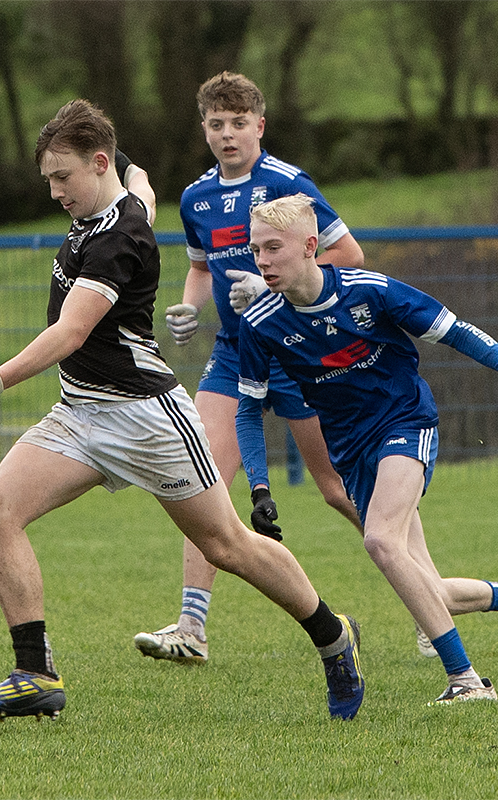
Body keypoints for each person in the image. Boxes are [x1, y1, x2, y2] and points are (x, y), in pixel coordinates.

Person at [0, 100, 365, 722]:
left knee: (226, 545)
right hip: (80, 413)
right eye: (49, 179)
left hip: (148, 419)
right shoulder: (124, 199)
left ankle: (332, 634)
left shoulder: (119, 238)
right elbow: (142, 184)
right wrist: (119, 157)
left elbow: (72, 332)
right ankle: (35, 674)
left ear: (98, 163)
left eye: (62, 177)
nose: (55, 192)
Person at [234, 192, 498, 704]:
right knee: (428, 590)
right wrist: (260, 488)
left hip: (405, 421)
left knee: (380, 541)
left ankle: (466, 682)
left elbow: (455, 331)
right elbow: (248, 410)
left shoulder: (370, 292)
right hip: (350, 450)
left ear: (309, 246)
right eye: (255, 250)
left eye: (272, 248)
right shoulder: (260, 322)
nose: (261, 261)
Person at [134, 72, 366, 665]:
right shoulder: (196, 198)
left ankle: (427, 592)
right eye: (217, 124)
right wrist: (190, 307)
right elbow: (202, 268)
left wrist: (271, 288)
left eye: (239, 123)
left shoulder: (288, 184)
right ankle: (191, 627)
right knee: (199, 477)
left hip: (296, 351)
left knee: (336, 488)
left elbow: (347, 255)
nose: (228, 134)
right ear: (204, 129)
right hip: (234, 353)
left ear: (260, 126)